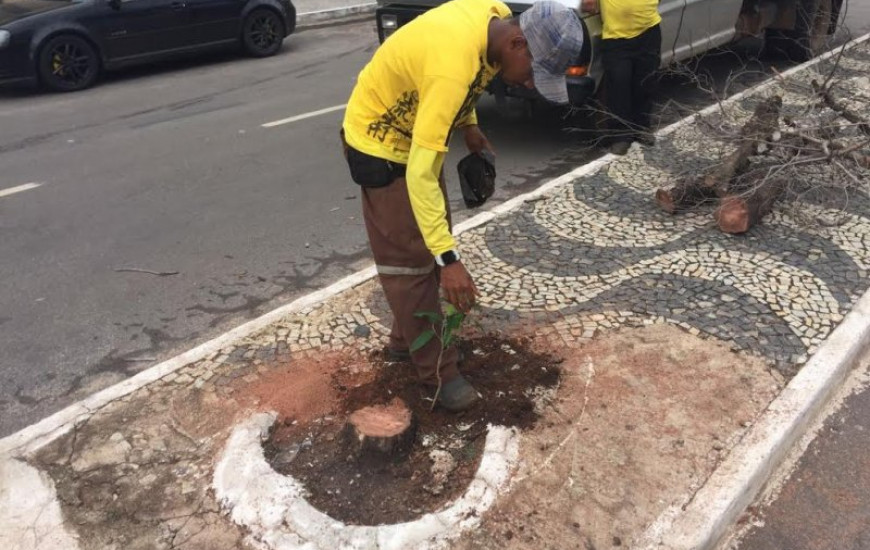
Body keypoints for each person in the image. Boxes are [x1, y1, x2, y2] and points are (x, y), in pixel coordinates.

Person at [342, 0, 585, 411]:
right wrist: (449, 261)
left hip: (416, 134)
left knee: (428, 238)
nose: (530, 84)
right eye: (533, 73)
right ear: (517, 42)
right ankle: (439, 372)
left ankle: (406, 342)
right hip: (379, 144)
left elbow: (470, 78)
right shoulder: (450, 66)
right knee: (411, 261)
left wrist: (469, 126)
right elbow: (421, 172)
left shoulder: (493, 20)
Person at [581, 0, 662, 155]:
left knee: (645, 83)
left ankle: (642, 128)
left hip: (649, 31)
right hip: (615, 38)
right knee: (618, 85)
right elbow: (588, 5)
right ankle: (620, 136)